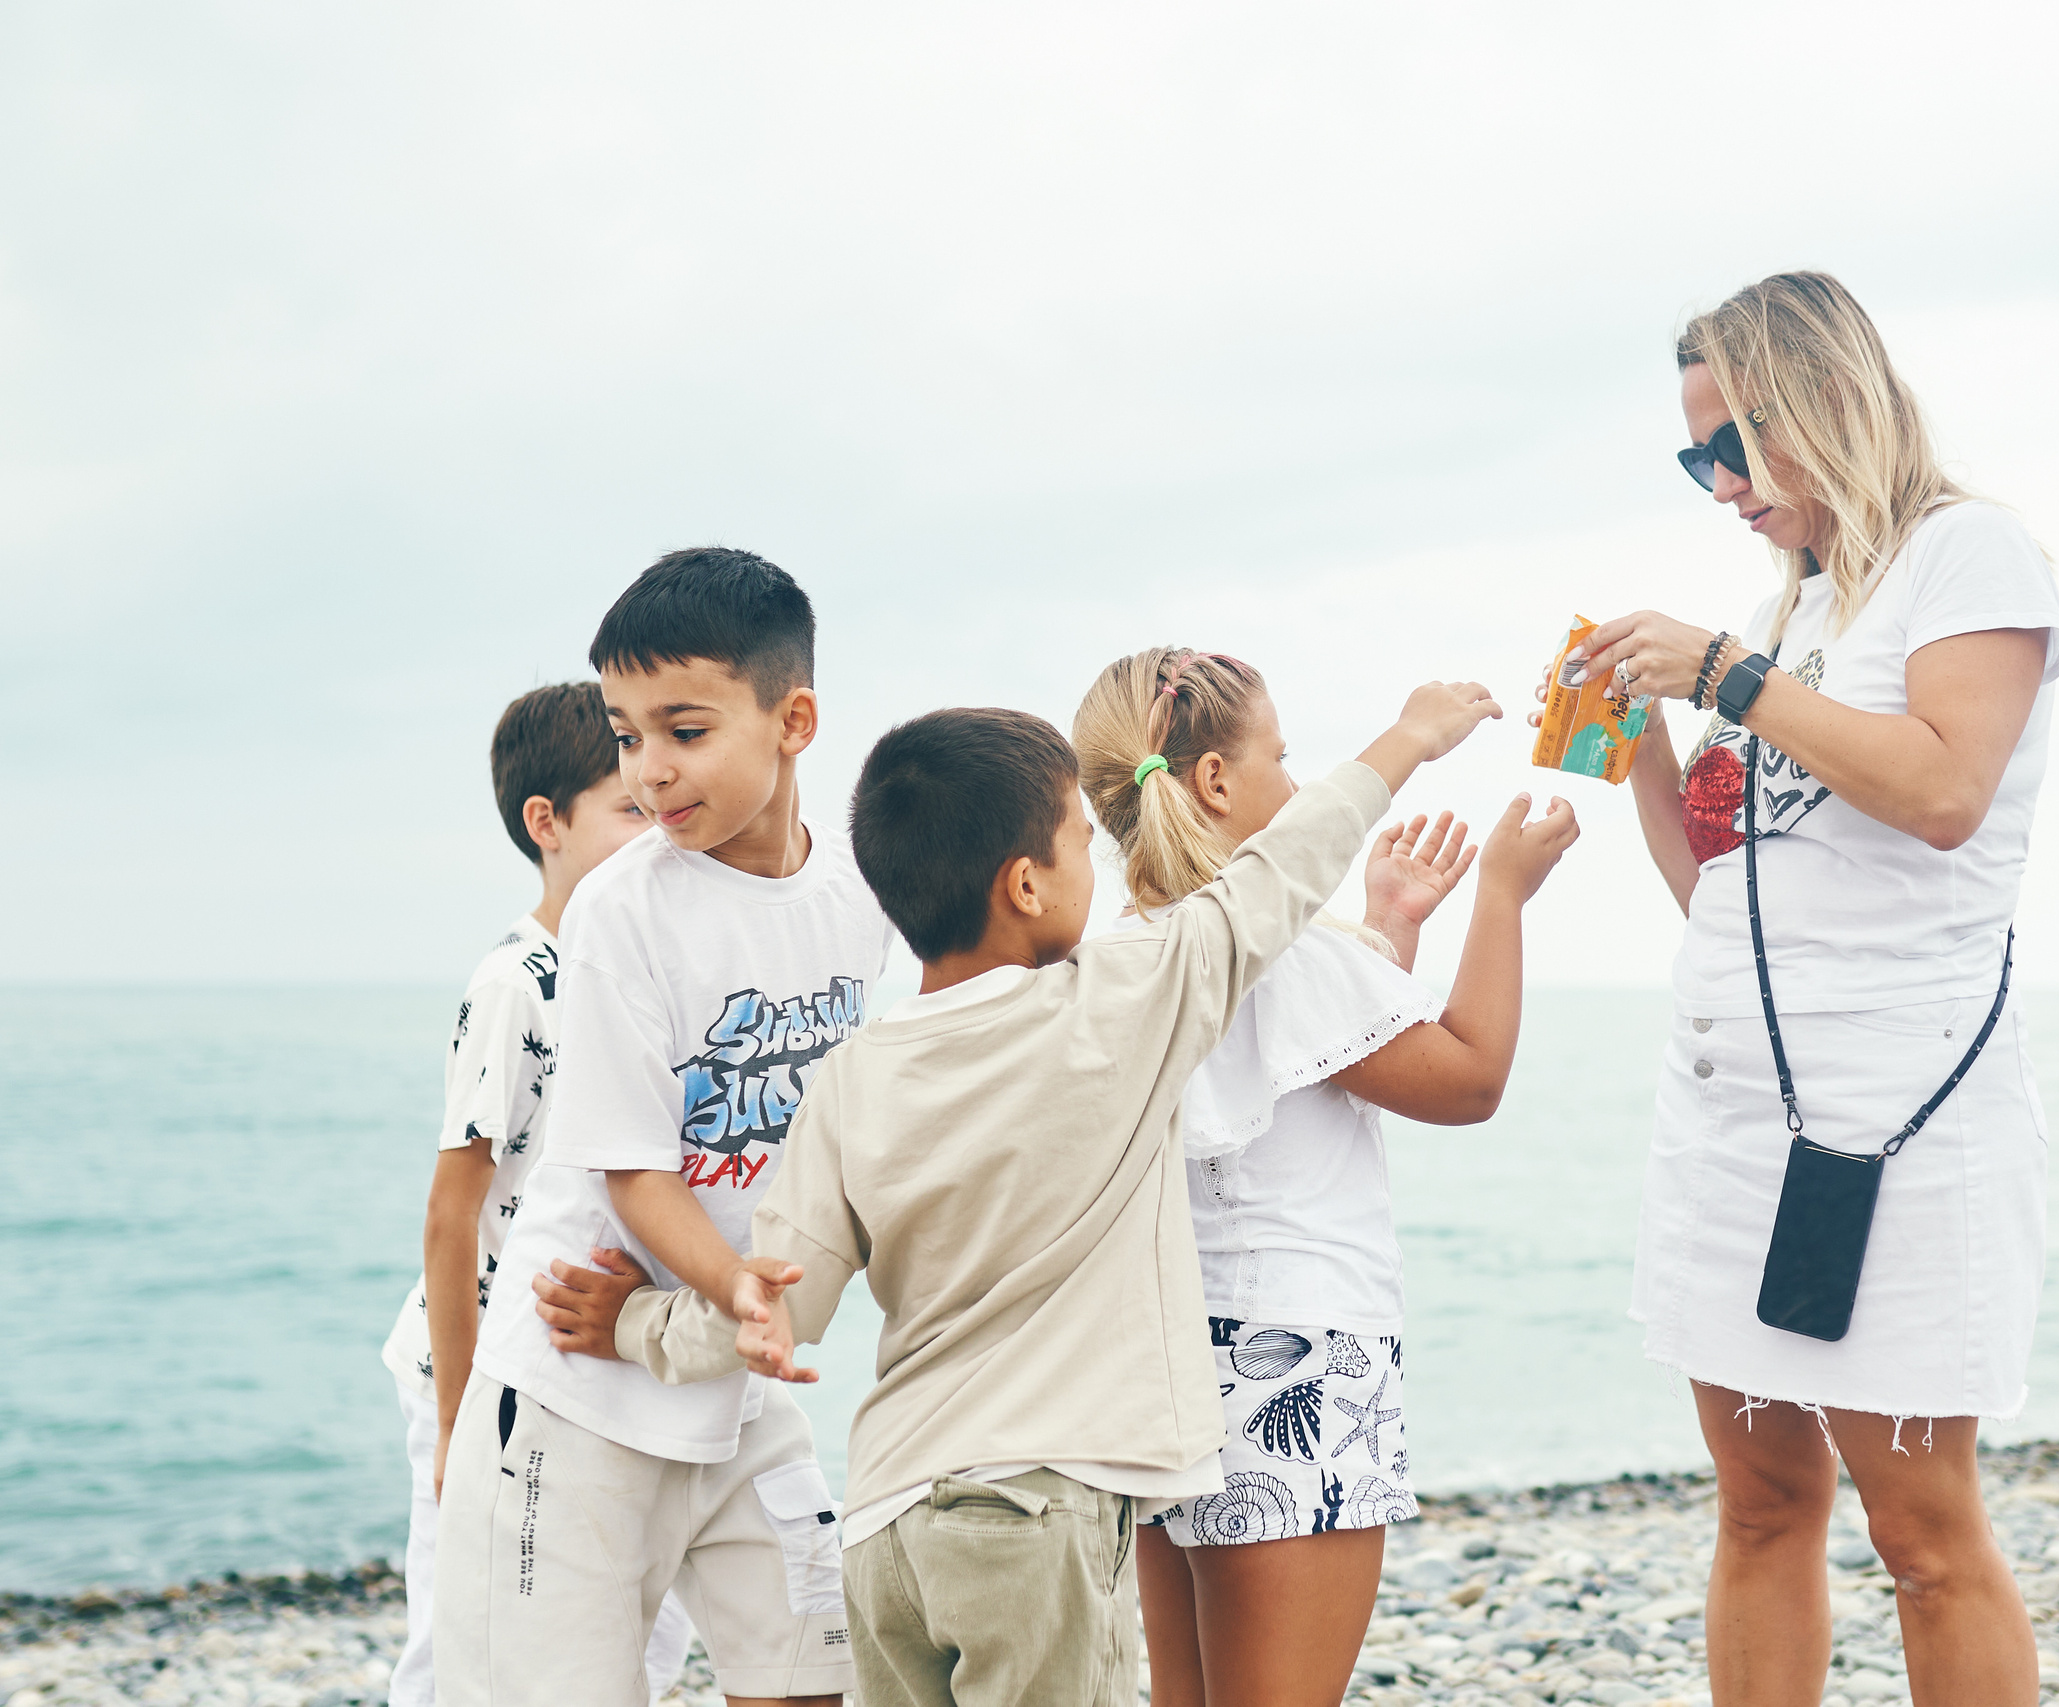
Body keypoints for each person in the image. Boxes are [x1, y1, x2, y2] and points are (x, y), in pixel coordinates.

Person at [610, 679, 1505, 1707]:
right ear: (1027, 886)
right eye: (1081, 842)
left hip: (887, 1521)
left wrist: (636, 1324)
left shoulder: (855, 1073)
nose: (1099, 863)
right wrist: (1406, 740)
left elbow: (774, 1302)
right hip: (1029, 1520)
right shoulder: (1110, 1010)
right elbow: (1278, 875)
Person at [1558, 272, 2059, 1707]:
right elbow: (1727, 894)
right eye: (1694, 455)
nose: (1718, 481)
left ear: (1829, 400)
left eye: (1737, 442)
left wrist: (1725, 673)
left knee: (1922, 1528)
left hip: (1895, 1103)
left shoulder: (1966, 555)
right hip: (1732, 1106)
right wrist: (1641, 739)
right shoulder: (1800, 609)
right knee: (1762, 1499)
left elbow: (1947, 788)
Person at [1069, 647, 1579, 1707]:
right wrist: (1503, 895)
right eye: (1278, 756)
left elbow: (1293, 1072)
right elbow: (1467, 1078)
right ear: (1214, 781)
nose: (1294, 785)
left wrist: (1389, 927)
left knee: (1191, 1693)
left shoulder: (1129, 949)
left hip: (1169, 1365)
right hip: (1301, 1360)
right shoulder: (1282, 949)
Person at [433, 548, 897, 1707]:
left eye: (683, 731)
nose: (648, 773)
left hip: (733, 1382)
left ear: (793, 720)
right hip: (575, 1388)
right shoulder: (623, 908)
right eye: (625, 735)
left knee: (803, 1679)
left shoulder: (856, 890)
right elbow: (638, 1178)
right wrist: (743, 1290)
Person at [375, 681, 692, 1707]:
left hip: (580, 1360)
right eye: (628, 812)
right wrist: (462, 1416)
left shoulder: (629, 970)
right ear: (545, 824)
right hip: (475, 1368)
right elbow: (450, 1210)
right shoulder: (521, 982)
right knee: (457, 1632)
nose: (653, 836)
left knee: (628, 1617)